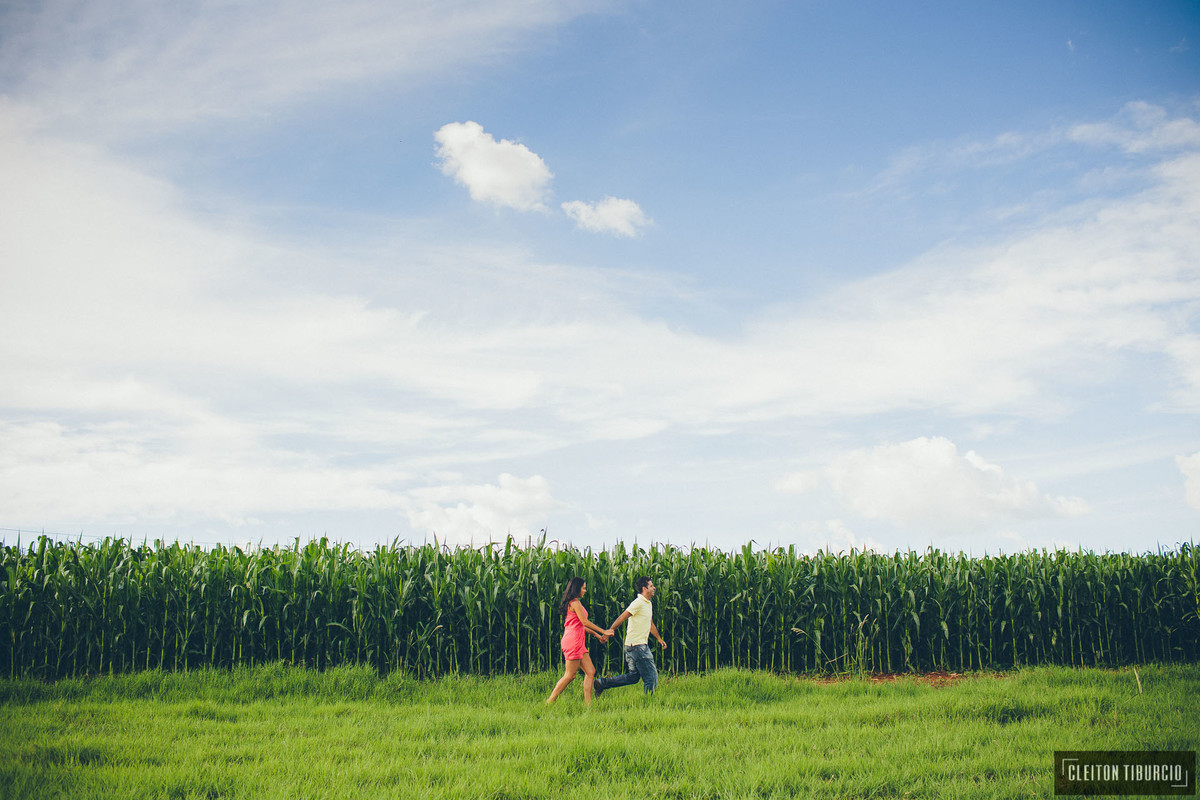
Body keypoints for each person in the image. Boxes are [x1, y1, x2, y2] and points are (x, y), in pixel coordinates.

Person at [593, 576, 667, 697]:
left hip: (633, 646)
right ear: (644, 588)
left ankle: (602, 683)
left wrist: (659, 638)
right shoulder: (638, 603)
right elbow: (622, 617)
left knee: (633, 677)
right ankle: (649, 704)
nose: (654, 588)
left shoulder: (648, 603)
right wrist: (609, 632)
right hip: (638, 647)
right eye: (651, 586)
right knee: (651, 677)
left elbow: (650, 622)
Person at [545, 577, 614, 706]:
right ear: (577, 589)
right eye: (583, 588)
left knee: (590, 671)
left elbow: (580, 625)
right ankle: (550, 701)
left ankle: (588, 705)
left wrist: (597, 635)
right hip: (573, 641)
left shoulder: (575, 603)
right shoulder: (575, 603)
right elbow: (584, 622)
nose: (585, 590)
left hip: (578, 641)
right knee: (570, 675)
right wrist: (604, 631)